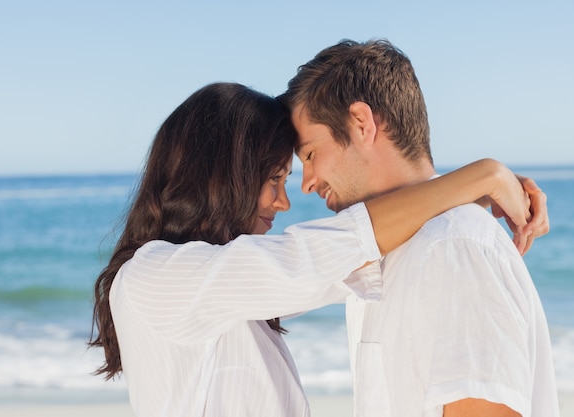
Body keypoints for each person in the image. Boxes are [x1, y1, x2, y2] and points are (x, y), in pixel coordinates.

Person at [90, 82, 545, 417]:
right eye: (274, 178)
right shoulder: (153, 277)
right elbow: (316, 256)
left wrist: (475, 196)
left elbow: (347, 257)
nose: (287, 200)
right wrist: (481, 176)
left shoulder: (224, 295)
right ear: (221, 175)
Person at [279, 39, 557, 417]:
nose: (307, 182)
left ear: (361, 123)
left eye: (310, 154)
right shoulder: (386, 254)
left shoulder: (452, 247)